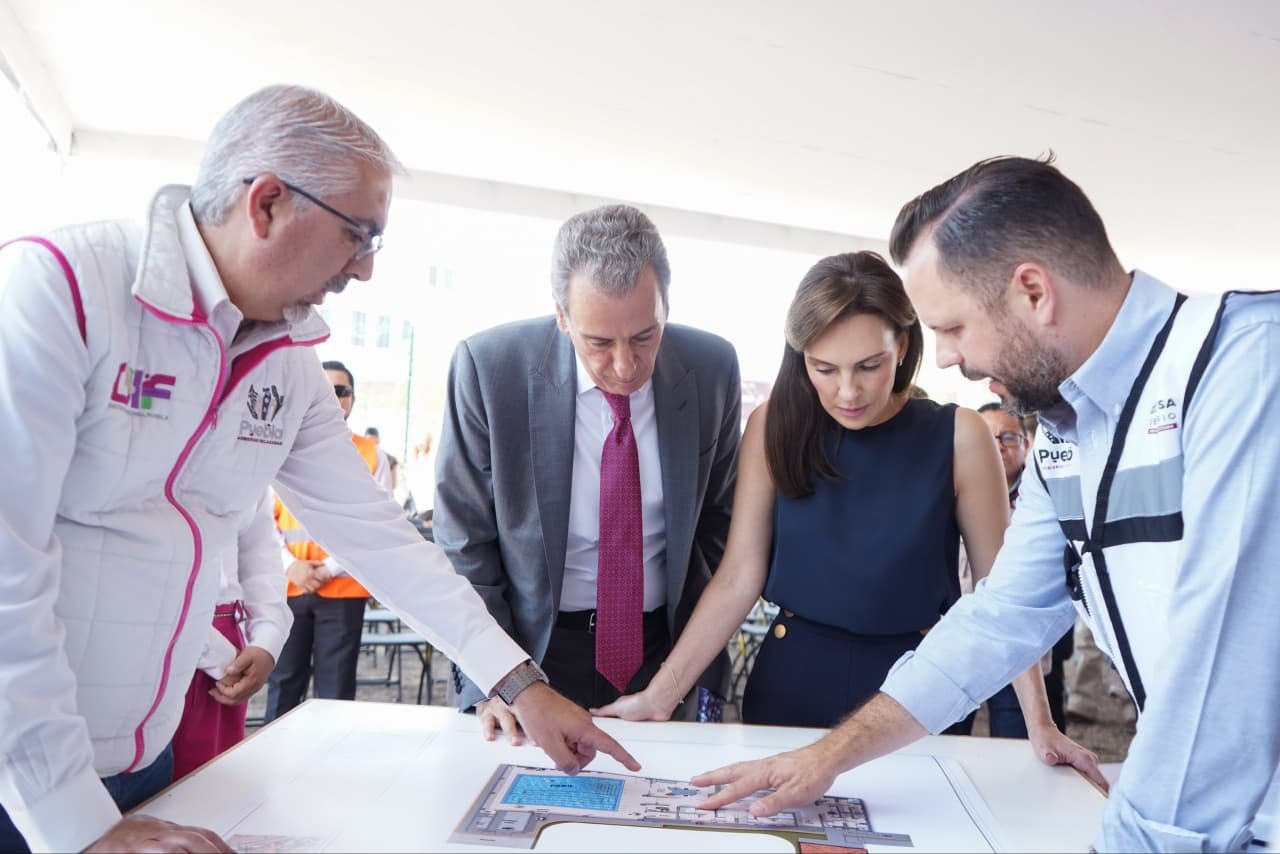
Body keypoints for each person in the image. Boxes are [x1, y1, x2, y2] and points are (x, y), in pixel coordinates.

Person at [0, 84, 635, 854]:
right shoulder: (57, 290)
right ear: (267, 203)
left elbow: (381, 539)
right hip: (31, 784)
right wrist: (74, 822)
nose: (364, 270)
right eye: (358, 235)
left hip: (142, 762)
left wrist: (519, 683)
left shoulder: (287, 359)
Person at [691, 155, 1280, 851]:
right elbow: (999, 618)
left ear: (1032, 291)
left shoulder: (1247, 365)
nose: (945, 361)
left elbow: (1221, 685)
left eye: (953, 328)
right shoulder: (1067, 432)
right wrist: (829, 757)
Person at [595, 252, 1084, 756]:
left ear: (904, 345)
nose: (847, 391)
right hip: (790, 682)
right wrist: (660, 696)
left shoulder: (960, 436)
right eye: (823, 368)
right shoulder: (773, 426)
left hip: (916, 691)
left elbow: (1002, 594)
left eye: (869, 366)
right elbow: (739, 577)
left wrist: (1039, 724)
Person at [434, 203, 740, 740]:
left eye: (645, 336)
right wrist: (496, 678)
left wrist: (688, 668)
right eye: (599, 342)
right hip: (530, 652)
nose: (625, 365)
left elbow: (719, 524)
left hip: (664, 655)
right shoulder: (490, 369)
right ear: (561, 316)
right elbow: (465, 542)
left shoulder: (711, 369)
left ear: (666, 306)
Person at [263, 361, 390, 722]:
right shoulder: (277, 443)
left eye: (342, 391)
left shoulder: (371, 454)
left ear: (353, 398)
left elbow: (375, 521)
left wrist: (329, 567)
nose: (335, 398)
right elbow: (261, 517)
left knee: (335, 694)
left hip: (343, 589)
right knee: (284, 685)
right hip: (290, 585)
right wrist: (292, 566)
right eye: (326, 389)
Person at [170, 491, 290, 782]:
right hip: (160, 638)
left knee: (213, 782)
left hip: (228, 639)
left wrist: (266, 642)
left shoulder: (249, 465)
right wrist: (222, 658)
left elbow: (261, 560)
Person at [972, 402, 1072, 736]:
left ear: (1027, 443)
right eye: (987, 437)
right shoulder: (951, 488)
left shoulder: (1045, 494)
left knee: (1021, 737)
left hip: (1022, 644)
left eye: (1007, 437)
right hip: (965, 635)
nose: (997, 445)